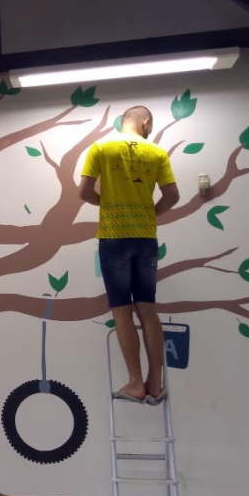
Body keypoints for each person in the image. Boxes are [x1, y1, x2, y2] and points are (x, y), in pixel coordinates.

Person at [79, 105, 180, 405]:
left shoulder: (100, 148)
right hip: (146, 238)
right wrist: (149, 215)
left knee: (122, 310)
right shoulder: (158, 153)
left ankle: (136, 382)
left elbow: (83, 192)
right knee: (147, 309)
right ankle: (155, 381)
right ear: (146, 123)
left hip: (114, 239)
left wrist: (108, 204)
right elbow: (173, 196)